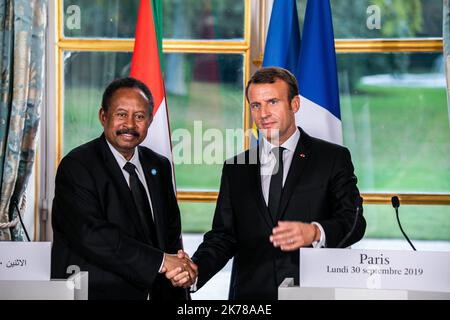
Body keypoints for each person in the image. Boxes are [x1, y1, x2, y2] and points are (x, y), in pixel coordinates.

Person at [167, 67, 366, 299]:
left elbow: (353, 221)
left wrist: (314, 232)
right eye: (256, 105)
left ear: (295, 104)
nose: (263, 113)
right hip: (250, 296)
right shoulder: (236, 168)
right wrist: (196, 269)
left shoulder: (332, 158)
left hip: (312, 292)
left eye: (272, 102)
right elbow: (224, 236)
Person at [51, 77, 196, 300]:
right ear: (103, 116)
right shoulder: (77, 166)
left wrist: (180, 272)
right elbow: (92, 235)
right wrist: (161, 262)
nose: (129, 124)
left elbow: (170, 235)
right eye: (121, 114)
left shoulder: (159, 166)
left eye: (139, 116)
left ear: (149, 121)